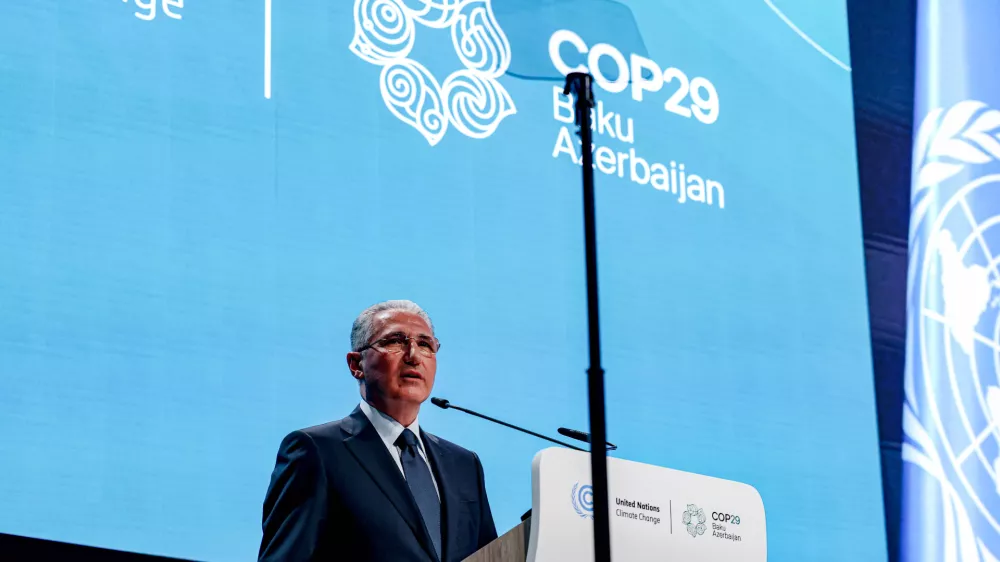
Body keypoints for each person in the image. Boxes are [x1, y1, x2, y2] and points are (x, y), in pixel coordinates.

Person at [259, 300, 498, 561]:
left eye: (425, 344)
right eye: (395, 341)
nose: (413, 355)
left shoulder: (464, 465)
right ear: (356, 364)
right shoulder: (316, 451)